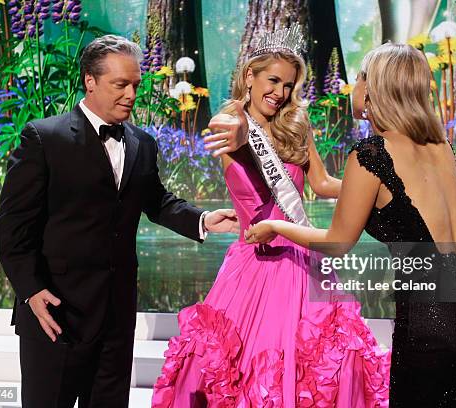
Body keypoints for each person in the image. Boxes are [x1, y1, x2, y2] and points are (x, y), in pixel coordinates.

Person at [246, 42, 456, 407]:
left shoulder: (371, 155)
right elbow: (438, 197)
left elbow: (337, 242)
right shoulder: (440, 146)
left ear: (372, 88)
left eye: (358, 78)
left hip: (434, 320)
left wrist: (276, 227)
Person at [0, 34, 241, 408]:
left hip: (116, 313)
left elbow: (156, 201)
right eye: (120, 84)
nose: (130, 94)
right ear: (90, 81)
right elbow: (12, 226)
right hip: (55, 312)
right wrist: (30, 290)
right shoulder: (44, 138)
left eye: (135, 85)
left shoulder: (142, 142)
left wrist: (203, 219)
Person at [152, 26, 390, 408]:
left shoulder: (296, 123)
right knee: (249, 369)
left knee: (319, 364)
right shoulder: (229, 122)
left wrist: (379, 187)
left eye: (288, 85)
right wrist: (244, 131)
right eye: (273, 80)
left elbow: (324, 182)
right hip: (255, 263)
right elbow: (233, 131)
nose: (280, 93)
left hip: (303, 255)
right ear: (250, 75)